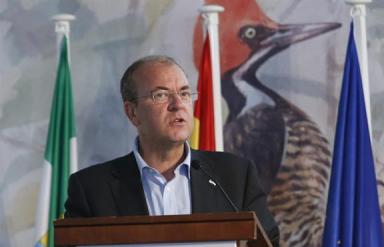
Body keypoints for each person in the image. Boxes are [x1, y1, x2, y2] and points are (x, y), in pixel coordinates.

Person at [64, 55, 279, 245]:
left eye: (185, 93)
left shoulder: (235, 177)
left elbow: (268, 241)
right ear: (132, 113)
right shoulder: (91, 189)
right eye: (160, 95)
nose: (178, 104)